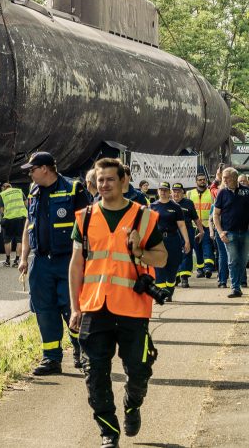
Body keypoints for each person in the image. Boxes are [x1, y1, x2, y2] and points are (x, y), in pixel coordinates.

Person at [69, 157, 166, 448]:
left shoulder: (144, 217)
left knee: (138, 369)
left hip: (132, 308)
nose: (104, 185)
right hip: (95, 308)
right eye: (100, 180)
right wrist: (75, 307)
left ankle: (132, 404)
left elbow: (161, 257)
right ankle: (109, 432)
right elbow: (76, 265)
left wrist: (139, 250)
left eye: (110, 179)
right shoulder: (84, 217)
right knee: (95, 372)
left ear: (123, 180)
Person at [18, 151, 88, 375]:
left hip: (68, 259)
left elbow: (87, 225)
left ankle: (81, 351)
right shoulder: (34, 191)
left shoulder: (73, 188)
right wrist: (23, 257)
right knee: (44, 310)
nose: (30, 174)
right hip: (41, 262)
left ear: (45, 168)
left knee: (72, 306)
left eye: (32, 169)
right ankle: (51, 358)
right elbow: (29, 223)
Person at [149, 183, 190, 302]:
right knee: (159, 268)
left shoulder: (176, 207)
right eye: (161, 190)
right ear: (158, 191)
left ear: (169, 192)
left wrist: (187, 241)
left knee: (172, 267)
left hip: (173, 240)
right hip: (157, 241)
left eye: (166, 190)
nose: (163, 192)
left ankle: (169, 290)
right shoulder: (152, 206)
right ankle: (159, 294)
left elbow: (181, 225)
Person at [212, 167, 249, 298]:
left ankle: (238, 284)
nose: (224, 180)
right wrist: (220, 232)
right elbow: (215, 215)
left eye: (227, 178)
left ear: (234, 177)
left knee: (243, 260)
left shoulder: (246, 192)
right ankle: (235, 288)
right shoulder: (222, 193)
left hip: (245, 233)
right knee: (233, 260)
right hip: (229, 233)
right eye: (223, 178)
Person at [172, 183, 201, 288]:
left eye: (178, 191)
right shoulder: (168, 203)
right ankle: (175, 276)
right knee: (174, 254)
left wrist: (201, 231)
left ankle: (184, 277)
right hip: (173, 231)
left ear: (183, 192)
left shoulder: (188, 203)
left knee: (187, 252)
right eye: (174, 191)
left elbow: (195, 218)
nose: (176, 193)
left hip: (188, 230)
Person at [189, 173, 217, 279]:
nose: (202, 181)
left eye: (204, 179)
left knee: (207, 246)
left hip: (207, 225)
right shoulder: (190, 193)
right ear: (196, 181)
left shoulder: (211, 193)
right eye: (200, 180)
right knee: (197, 248)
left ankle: (208, 268)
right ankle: (200, 269)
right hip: (194, 225)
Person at [0, 182, 27, 267]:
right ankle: (17, 260)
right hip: (21, 218)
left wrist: (2, 214)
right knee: (19, 240)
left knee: (7, 240)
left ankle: (7, 260)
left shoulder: (2, 194)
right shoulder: (19, 191)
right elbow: (26, 204)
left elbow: (1, 209)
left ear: (4, 187)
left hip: (9, 219)